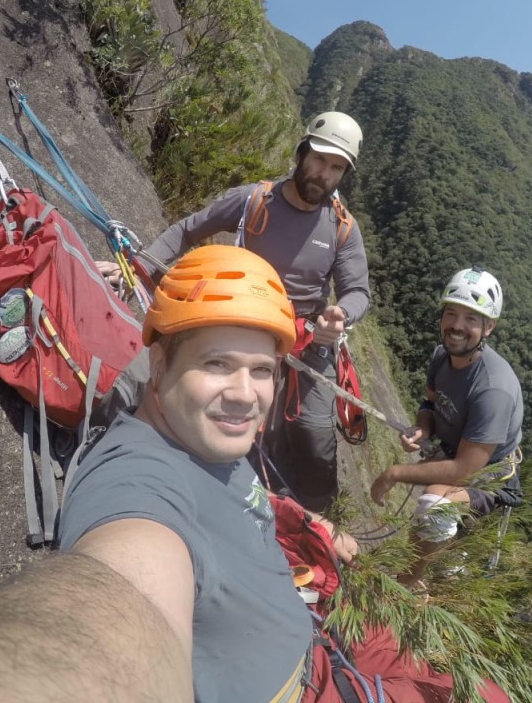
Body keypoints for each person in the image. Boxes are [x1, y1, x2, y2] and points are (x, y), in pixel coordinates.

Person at [0, 246, 508, 703]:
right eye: (217, 363)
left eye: (262, 370)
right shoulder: (138, 481)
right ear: (161, 357)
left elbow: (235, 506)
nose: (244, 394)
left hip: (323, 630)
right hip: (316, 682)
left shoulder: (207, 445)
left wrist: (295, 518)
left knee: (479, 682)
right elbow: (112, 607)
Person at [104, 112, 370, 512]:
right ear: (301, 153)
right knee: (153, 381)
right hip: (237, 313)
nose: (323, 174)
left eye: (336, 168)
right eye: (318, 159)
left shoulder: (342, 229)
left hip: (305, 337)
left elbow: (358, 292)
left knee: (313, 437)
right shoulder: (254, 200)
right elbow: (186, 230)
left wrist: (340, 315)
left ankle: (316, 523)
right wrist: (135, 270)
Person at [370, 266, 524, 591]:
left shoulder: (492, 389)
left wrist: (394, 473)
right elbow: (429, 404)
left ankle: (407, 584)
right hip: (455, 451)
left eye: (471, 318)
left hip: (489, 475)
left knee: (435, 506)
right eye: (451, 314)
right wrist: (423, 429)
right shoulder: (442, 356)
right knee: (433, 506)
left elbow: (463, 469)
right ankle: (435, 556)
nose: (457, 326)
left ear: (489, 327)